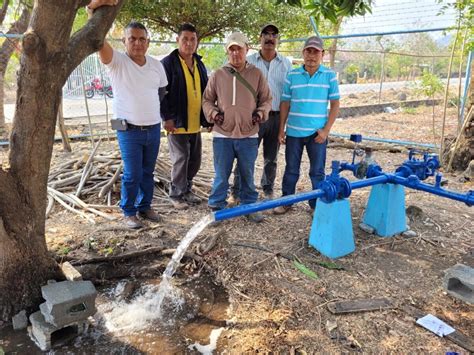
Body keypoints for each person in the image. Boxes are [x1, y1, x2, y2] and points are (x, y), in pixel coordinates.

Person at [87, 2, 168, 229]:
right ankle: (129, 211)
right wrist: (92, 11)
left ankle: (145, 206)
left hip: (153, 129)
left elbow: (161, 91)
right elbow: (98, 39)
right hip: (128, 129)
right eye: (132, 38)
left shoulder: (156, 65)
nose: (137, 43)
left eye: (142, 39)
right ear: (124, 42)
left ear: (148, 42)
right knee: (132, 174)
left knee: (147, 172)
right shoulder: (117, 62)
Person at [202, 32, 272, 223]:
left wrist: (260, 113)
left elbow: (266, 99)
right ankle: (217, 208)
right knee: (221, 175)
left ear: (246, 49)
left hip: (248, 135)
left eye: (239, 49)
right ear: (227, 52)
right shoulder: (218, 74)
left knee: (247, 174)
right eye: (231, 49)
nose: (235, 53)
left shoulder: (256, 74)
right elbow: (207, 100)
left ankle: (249, 207)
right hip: (223, 135)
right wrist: (214, 114)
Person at [274, 36, 340, 214]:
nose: (311, 56)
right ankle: (287, 201)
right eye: (308, 51)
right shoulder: (292, 75)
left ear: (322, 54)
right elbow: (285, 103)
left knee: (317, 171)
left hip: (317, 134)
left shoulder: (329, 76)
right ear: (303, 53)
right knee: (291, 169)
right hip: (294, 132)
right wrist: (281, 129)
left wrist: (326, 130)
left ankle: (316, 204)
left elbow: (335, 105)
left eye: (315, 52)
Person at [229, 24, 292, 205]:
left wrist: (284, 123)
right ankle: (236, 191)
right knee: (245, 155)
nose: (270, 38)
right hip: (252, 118)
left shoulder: (286, 63)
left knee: (271, 158)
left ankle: (267, 189)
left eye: (274, 35)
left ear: (277, 40)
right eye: (266, 34)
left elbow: (288, 95)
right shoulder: (248, 61)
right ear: (260, 38)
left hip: (276, 117)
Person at [161, 23, 211, 210]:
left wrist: (207, 119)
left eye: (193, 39)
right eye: (185, 39)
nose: (189, 43)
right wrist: (167, 117)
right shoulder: (167, 64)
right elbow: (161, 94)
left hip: (195, 123)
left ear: (197, 41)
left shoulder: (199, 63)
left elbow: (206, 92)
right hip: (177, 122)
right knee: (181, 158)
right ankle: (176, 194)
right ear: (177, 40)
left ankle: (187, 189)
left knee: (195, 160)